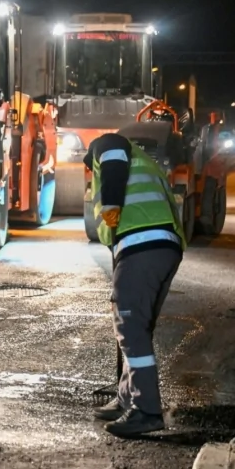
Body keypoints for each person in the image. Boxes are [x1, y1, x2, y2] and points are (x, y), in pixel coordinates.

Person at [83, 132, 187, 437]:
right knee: (136, 327)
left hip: (143, 244)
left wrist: (111, 204)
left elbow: (113, 157)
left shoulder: (107, 144)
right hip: (162, 245)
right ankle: (128, 398)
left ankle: (146, 410)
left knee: (129, 324)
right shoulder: (143, 161)